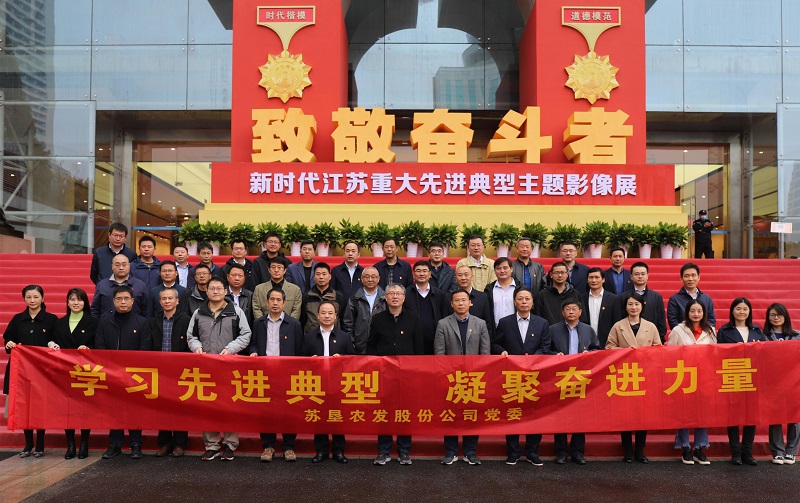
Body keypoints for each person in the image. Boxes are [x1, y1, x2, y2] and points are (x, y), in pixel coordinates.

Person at [188, 278, 252, 461]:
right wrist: (196, 347)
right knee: (208, 406)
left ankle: (230, 444)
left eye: (219, 288)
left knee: (230, 406)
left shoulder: (236, 311)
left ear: (225, 291)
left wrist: (230, 349)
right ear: (206, 291)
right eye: (212, 288)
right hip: (206, 367)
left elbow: (246, 334)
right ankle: (212, 445)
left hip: (229, 367)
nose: (215, 291)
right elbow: (191, 336)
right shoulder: (198, 313)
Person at [492, 289, 551, 466]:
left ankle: (532, 451)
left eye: (527, 299)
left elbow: (546, 347)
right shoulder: (505, 322)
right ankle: (513, 451)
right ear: (514, 302)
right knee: (513, 413)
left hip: (534, 375)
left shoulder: (542, 323)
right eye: (520, 299)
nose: (524, 302)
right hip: (512, 375)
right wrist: (502, 351)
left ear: (532, 302)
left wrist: (531, 360)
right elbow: (495, 344)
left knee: (534, 413)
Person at [367, 284, 424, 466]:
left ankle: (404, 451)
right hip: (384, 374)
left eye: (398, 294)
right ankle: (383, 451)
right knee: (384, 412)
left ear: (404, 298)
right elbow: (371, 346)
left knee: (404, 412)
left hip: (407, 375)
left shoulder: (413, 318)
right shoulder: (377, 319)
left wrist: (417, 372)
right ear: (385, 297)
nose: (395, 297)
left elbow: (418, 347)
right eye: (391, 293)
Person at [434, 289, 491, 465]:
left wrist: (481, 374)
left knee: (471, 415)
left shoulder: (480, 323)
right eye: (457, 301)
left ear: (470, 303)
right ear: (452, 304)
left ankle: (470, 452)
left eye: (464, 300)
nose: (460, 303)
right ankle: (451, 452)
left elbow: (485, 352)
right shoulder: (443, 324)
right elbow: (439, 353)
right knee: (450, 415)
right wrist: (445, 375)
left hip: (474, 378)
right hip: (451, 378)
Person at [95, 285, 152, 460]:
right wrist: (112, 369)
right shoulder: (105, 322)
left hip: (134, 375)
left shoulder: (142, 322)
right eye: (119, 299)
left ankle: (136, 444)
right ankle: (115, 444)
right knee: (114, 409)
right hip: (111, 373)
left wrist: (130, 370)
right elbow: (100, 347)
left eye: (126, 298)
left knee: (135, 409)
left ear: (133, 301)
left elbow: (145, 349)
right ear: (113, 301)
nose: (123, 302)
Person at [606, 292, 662, 463]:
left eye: (636, 304)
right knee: (626, 414)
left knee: (643, 414)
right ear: (625, 307)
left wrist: (645, 353)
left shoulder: (651, 326)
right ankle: (628, 450)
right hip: (625, 375)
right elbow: (609, 348)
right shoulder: (618, 326)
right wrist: (625, 352)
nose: (633, 307)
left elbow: (659, 349)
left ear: (642, 306)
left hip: (645, 375)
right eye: (630, 304)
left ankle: (640, 450)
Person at [3, 285, 58, 458]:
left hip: (42, 370)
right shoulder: (18, 319)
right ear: (24, 299)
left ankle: (40, 444)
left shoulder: (51, 319)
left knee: (39, 406)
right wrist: (9, 343)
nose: (32, 300)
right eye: (28, 297)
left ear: (43, 298)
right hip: (20, 370)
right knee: (23, 406)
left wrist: (53, 344)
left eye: (36, 297)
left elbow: (56, 339)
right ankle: (28, 444)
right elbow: (8, 337)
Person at [250, 288, 303, 463]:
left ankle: (289, 447)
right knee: (266, 411)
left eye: (278, 300)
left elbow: (299, 350)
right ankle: (268, 446)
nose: (275, 303)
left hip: (287, 374)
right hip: (265, 373)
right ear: (267, 302)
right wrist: (254, 352)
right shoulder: (258, 323)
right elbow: (253, 344)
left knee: (289, 410)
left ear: (284, 303)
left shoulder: (294, 324)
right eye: (272, 299)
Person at [302, 302, 355, 464]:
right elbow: (300, 360)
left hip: (338, 383)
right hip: (317, 383)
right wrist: (309, 361)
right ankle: (321, 450)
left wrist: (342, 359)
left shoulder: (344, 337)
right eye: (323, 313)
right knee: (319, 417)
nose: (327, 316)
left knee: (337, 416)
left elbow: (353, 360)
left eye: (330, 313)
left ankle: (339, 450)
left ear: (336, 316)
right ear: (317, 316)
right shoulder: (309, 337)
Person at [550, 299, 601, 465]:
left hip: (581, 377)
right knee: (560, 415)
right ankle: (561, 452)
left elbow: (597, 349)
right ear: (562, 312)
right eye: (567, 309)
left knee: (580, 416)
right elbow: (546, 349)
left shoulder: (588, 329)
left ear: (580, 312)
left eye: (574, 309)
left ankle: (578, 452)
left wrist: (589, 354)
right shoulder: (553, 329)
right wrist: (554, 354)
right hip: (561, 377)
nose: (571, 312)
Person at [717, 297, 766, 465]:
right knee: (733, 416)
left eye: (745, 309)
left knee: (751, 416)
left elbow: (765, 353)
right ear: (732, 311)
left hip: (752, 377)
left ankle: (747, 451)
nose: (742, 312)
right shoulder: (724, 331)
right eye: (738, 309)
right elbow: (718, 354)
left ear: (749, 311)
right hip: (732, 375)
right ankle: (735, 452)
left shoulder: (757, 330)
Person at [667, 299, 716, 465]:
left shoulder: (710, 331)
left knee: (702, 413)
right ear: (687, 312)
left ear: (704, 313)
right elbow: (669, 353)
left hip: (704, 377)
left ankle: (700, 448)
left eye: (699, 311)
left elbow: (715, 354)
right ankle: (685, 447)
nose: (696, 314)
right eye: (692, 311)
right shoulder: (678, 330)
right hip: (683, 377)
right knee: (684, 412)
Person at [52, 288, 97, 459]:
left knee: (85, 408)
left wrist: (89, 348)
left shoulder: (93, 322)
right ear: (67, 302)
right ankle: (70, 444)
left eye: (79, 299)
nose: (75, 303)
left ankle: (84, 443)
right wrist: (51, 343)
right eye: (72, 299)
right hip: (65, 371)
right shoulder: (59, 323)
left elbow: (99, 344)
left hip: (85, 371)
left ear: (85, 302)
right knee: (68, 408)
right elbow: (52, 340)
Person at [149, 287, 191, 458]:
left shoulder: (186, 320)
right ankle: (165, 443)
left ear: (177, 301)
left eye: (170, 298)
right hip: (159, 371)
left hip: (180, 371)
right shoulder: (153, 321)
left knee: (180, 407)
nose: (167, 301)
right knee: (162, 407)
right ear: (160, 302)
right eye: (164, 299)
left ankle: (180, 443)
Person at [763, 303, 800, 465]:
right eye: (772, 315)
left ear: (786, 316)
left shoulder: (797, 335)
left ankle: (791, 451)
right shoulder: (763, 336)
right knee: (775, 417)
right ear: (768, 317)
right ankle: (778, 452)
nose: (776, 317)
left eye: (779, 314)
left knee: (795, 417)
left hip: (794, 382)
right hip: (773, 383)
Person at [403, 260, 447, 354]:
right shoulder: (406, 294)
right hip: (412, 340)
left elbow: (443, 316)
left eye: (425, 271)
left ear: (430, 274)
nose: (422, 274)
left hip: (435, 339)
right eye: (418, 271)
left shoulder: (439, 294)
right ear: (413, 274)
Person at [342, 266, 386, 354]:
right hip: (359, 345)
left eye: (373, 277)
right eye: (367, 277)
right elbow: (348, 323)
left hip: (381, 345)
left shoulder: (385, 298)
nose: (370, 279)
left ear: (378, 279)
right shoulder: (355, 298)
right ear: (362, 279)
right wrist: (351, 341)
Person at [619, 262, 667, 342]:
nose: (640, 276)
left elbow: (661, 320)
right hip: (628, 340)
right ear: (631, 276)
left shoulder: (656, 297)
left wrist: (657, 339)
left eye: (643, 274)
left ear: (647, 276)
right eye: (637, 274)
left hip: (651, 340)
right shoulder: (623, 297)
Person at [667, 263, 716, 330]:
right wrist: (686, 333)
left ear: (698, 277)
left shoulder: (707, 298)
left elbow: (711, 320)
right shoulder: (675, 299)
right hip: (682, 335)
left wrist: (701, 333)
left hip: (703, 335)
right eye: (686, 276)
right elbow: (673, 322)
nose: (690, 279)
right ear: (681, 279)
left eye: (693, 275)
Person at [582, 267, 621, 348]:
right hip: (586, 343)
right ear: (587, 280)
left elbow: (617, 322)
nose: (594, 280)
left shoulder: (614, 299)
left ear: (603, 280)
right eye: (591, 277)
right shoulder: (582, 298)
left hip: (607, 343)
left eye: (597, 277)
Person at [302, 262, 346, 333]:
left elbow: (343, 319)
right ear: (314, 277)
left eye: (324, 274)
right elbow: (303, 320)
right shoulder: (307, 296)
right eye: (318, 274)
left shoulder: (338, 296)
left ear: (330, 276)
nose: (321, 277)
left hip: (333, 336)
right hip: (311, 336)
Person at [485, 257, 518, 329]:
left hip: (516, 329)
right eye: (498, 268)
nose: (502, 271)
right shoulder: (489, 289)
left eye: (505, 268)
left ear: (511, 269)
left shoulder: (520, 288)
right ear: (494, 271)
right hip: (496, 329)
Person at [225, 262, 254, 328]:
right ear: (228, 277)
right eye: (233, 275)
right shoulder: (221, 294)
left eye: (240, 276)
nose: (237, 278)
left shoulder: (250, 295)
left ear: (244, 278)